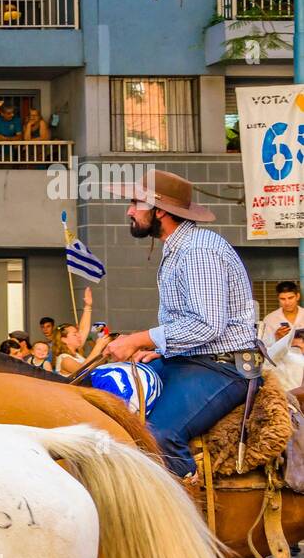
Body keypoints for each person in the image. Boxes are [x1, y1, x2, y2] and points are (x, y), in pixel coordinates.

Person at [102, 170, 260, 479]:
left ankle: (188, 520)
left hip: (226, 367)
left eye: (137, 203)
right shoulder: (179, 247)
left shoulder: (198, 250)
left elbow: (206, 325)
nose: (130, 211)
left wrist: (140, 340)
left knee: (159, 435)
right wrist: (161, 350)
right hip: (195, 361)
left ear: (160, 210)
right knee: (111, 400)